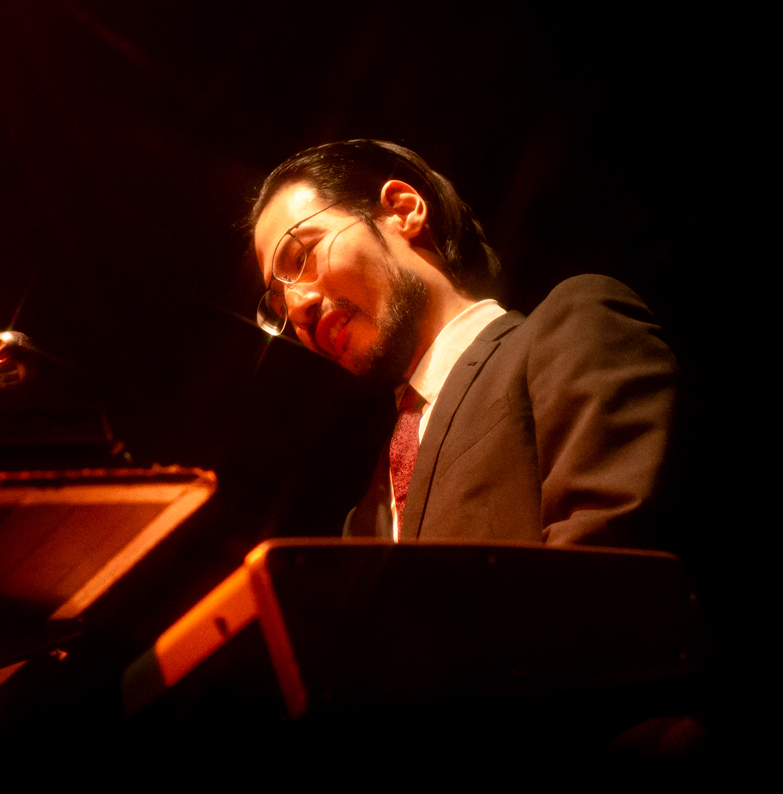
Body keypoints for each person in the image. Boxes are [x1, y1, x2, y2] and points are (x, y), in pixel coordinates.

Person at [250, 140, 676, 548]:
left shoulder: (570, 329)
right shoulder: (365, 519)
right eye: (279, 302)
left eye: (301, 256)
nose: (298, 307)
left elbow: (605, 565)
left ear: (403, 210)